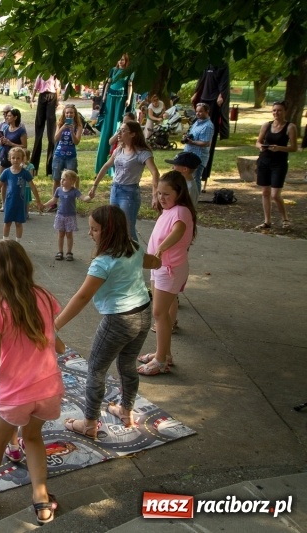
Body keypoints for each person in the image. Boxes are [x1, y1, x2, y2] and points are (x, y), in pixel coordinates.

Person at [0, 240, 63, 525]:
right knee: (34, 438)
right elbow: (51, 333)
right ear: (26, 265)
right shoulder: (45, 296)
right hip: (48, 388)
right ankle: (41, 499)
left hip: (16, 393)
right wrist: (58, 345)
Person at [54, 205, 161, 439]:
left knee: (96, 369)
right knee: (127, 365)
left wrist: (55, 326)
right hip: (143, 314)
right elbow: (153, 262)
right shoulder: (132, 246)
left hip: (119, 321)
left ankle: (90, 424)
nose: (90, 233)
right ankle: (126, 410)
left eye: (94, 229)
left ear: (109, 231)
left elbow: (82, 296)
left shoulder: (103, 263)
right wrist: (160, 260)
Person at [137, 171, 197, 376]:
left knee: (159, 314)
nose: (161, 198)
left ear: (179, 193)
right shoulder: (169, 210)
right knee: (161, 313)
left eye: (166, 194)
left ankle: (161, 361)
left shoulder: (181, 211)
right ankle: (163, 353)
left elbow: (178, 232)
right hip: (160, 267)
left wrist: (161, 249)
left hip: (169, 268)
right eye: (159, 193)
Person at [90, 120, 160, 241]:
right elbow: (106, 166)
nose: (119, 133)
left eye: (123, 130)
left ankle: (135, 256)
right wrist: (94, 185)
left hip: (129, 193)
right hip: (115, 189)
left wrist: (155, 195)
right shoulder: (119, 150)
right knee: (113, 225)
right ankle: (117, 254)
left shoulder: (142, 153)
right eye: (119, 130)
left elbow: (155, 172)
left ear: (133, 134)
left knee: (127, 229)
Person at [254, 101, 297, 231]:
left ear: (285, 112)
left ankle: (285, 219)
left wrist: (279, 148)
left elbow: (294, 148)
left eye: (279, 110)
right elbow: (258, 142)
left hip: (279, 163)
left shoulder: (290, 127)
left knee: (275, 194)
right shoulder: (267, 125)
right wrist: (261, 147)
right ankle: (267, 221)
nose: (276, 113)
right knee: (265, 192)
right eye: (274, 110)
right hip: (264, 161)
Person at [191, 63, 230, 192]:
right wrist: (196, 93)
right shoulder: (206, 65)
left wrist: (221, 95)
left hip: (213, 102)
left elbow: (224, 85)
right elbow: (202, 80)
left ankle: (203, 177)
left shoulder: (223, 66)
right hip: (204, 98)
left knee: (208, 141)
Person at [95, 54, 134, 174]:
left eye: (123, 59)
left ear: (127, 61)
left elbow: (130, 86)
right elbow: (108, 83)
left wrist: (128, 98)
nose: (120, 61)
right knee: (107, 128)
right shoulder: (113, 70)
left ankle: (113, 167)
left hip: (120, 100)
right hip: (110, 99)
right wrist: (105, 94)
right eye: (119, 59)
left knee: (117, 127)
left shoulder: (129, 72)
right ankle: (101, 164)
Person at [0, 147, 32, 242]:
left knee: (19, 223)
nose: (15, 160)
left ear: (23, 159)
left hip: (20, 203)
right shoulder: (6, 172)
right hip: (9, 202)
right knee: (7, 222)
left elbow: (33, 187)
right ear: (10, 158)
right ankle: (5, 241)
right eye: (13, 158)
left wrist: (39, 202)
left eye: (18, 158)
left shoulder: (25, 173)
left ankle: (18, 243)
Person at [43, 170, 84, 261]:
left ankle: (69, 252)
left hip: (70, 216)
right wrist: (44, 205)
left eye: (64, 179)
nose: (61, 181)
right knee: (61, 234)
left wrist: (90, 196)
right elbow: (53, 200)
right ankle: (60, 251)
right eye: (61, 179)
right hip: (60, 215)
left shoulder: (74, 191)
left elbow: (83, 198)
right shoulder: (58, 190)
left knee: (69, 234)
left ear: (72, 181)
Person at [49, 104, 83, 209]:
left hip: (71, 156)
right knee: (56, 179)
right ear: (64, 113)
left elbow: (76, 142)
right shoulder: (60, 123)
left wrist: (72, 132)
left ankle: (70, 202)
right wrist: (63, 127)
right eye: (67, 112)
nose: (69, 114)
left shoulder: (78, 126)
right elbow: (55, 138)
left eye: (71, 113)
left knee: (71, 178)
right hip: (59, 155)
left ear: (74, 114)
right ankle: (53, 203)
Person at [30, 74, 61, 177]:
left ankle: (50, 170)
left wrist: (57, 100)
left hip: (52, 97)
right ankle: (33, 168)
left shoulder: (55, 76)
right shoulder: (40, 75)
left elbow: (57, 88)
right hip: (42, 97)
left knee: (51, 137)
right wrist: (32, 99)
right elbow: (35, 88)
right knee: (38, 132)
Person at [182, 103, 214, 194]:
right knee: (187, 176)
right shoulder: (196, 122)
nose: (198, 113)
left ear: (207, 112)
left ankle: (195, 197)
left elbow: (206, 143)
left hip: (199, 156)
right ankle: (189, 196)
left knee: (195, 177)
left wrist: (192, 142)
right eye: (196, 111)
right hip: (189, 153)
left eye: (200, 111)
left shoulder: (208, 126)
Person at [0, 108, 28, 177]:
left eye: (9, 116)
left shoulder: (21, 131)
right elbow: (1, 141)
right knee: (2, 181)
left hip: (15, 159)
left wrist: (11, 144)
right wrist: (1, 141)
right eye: (6, 115)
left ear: (15, 117)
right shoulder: (5, 128)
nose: (7, 117)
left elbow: (25, 146)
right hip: (4, 157)